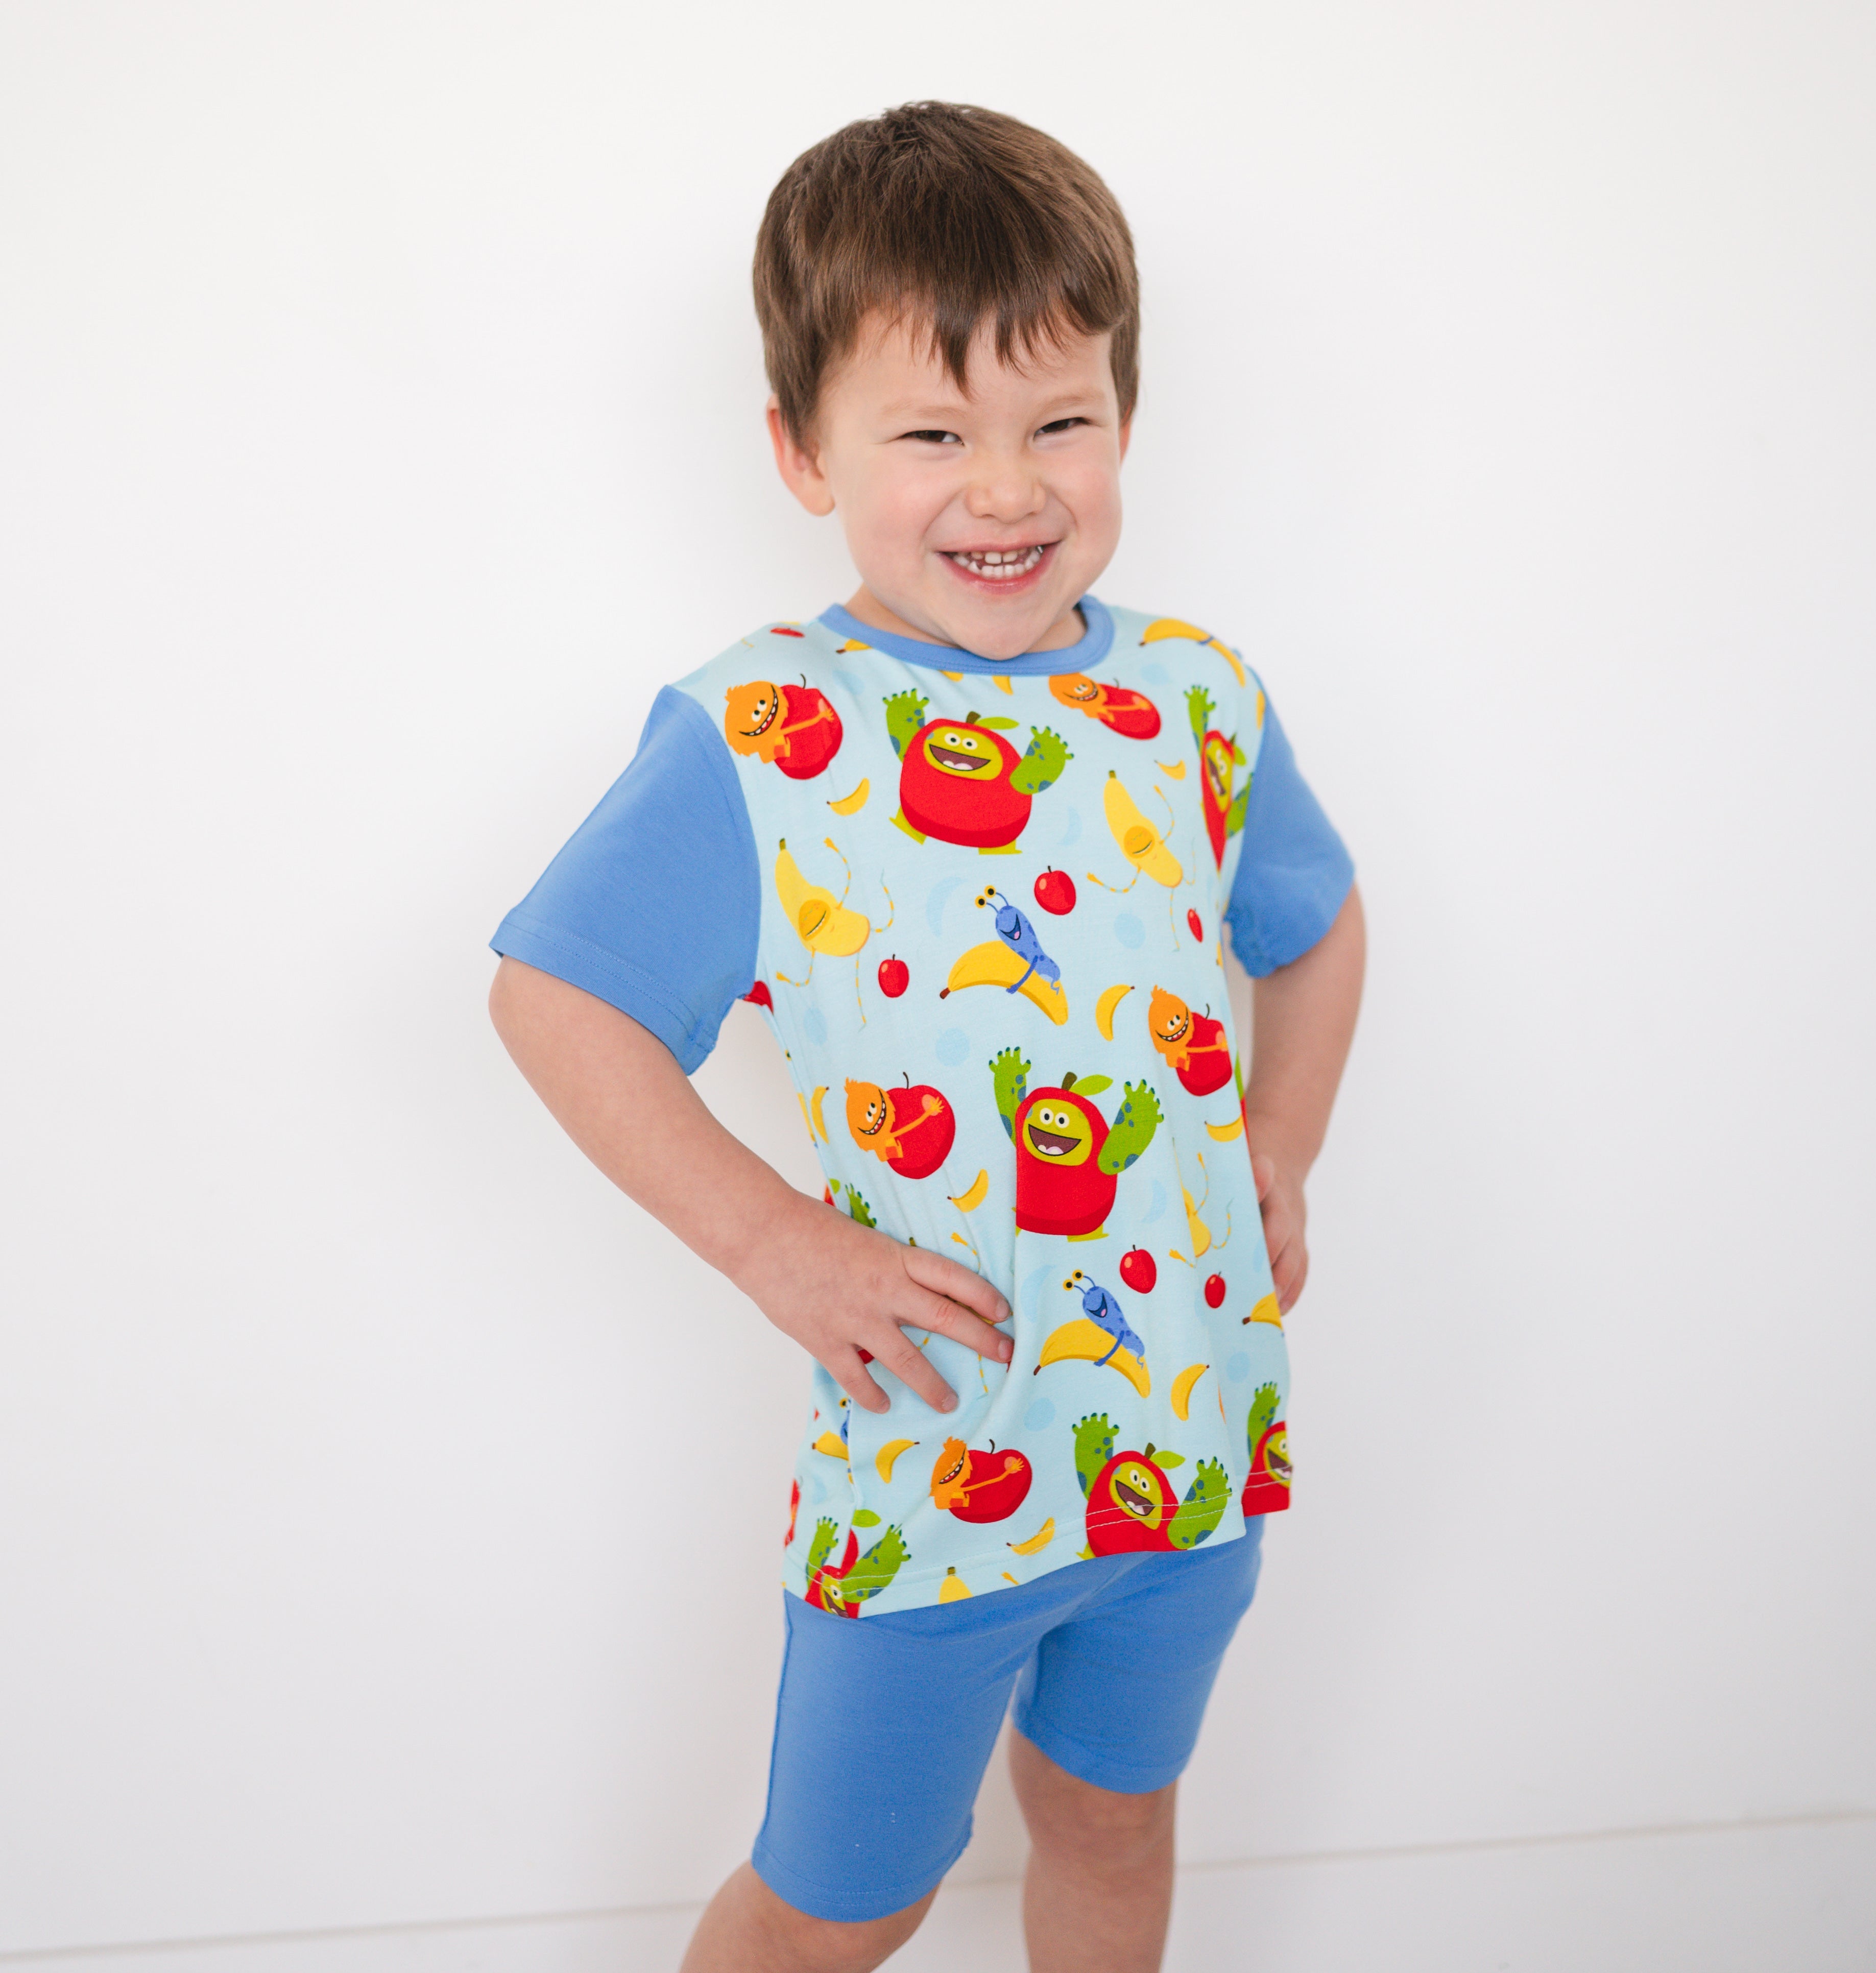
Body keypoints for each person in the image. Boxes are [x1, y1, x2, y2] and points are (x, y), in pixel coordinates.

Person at [487, 101, 1366, 1973]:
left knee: (1119, 1821)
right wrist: (776, 1244)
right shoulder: (765, 738)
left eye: (1062, 423)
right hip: (936, 1468)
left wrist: (1281, 1137)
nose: (1006, 487)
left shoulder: (1197, 701)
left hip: (1185, 1435)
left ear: (1127, 414)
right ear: (802, 451)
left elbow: (1314, 921)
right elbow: (556, 1000)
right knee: (843, 1898)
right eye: (931, 433)